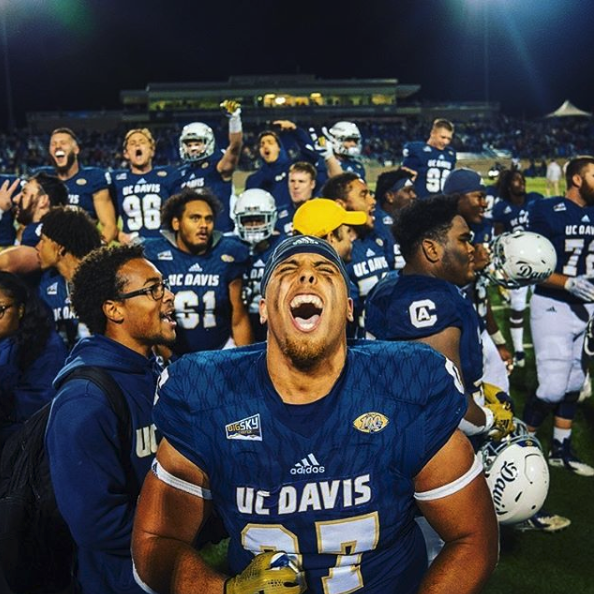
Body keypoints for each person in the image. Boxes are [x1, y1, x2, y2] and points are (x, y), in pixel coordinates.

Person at [132, 234, 498, 594]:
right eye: (288, 269)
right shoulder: (207, 393)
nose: (307, 275)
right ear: (263, 307)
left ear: (350, 308)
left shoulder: (406, 384)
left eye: (326, 270)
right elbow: (155, 542)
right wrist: (225, 591)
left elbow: (472, 535)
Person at [46, 244, 177, 594]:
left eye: (163, 286)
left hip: (166, 569)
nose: (169, 296)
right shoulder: (84, 400)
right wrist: (186, 531)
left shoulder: (153, 368)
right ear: (114, 309)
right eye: (153, 290)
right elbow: (97, 524)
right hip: (121, 581)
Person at [365, 195, 513, 442]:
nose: (470, 250)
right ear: (431, 249)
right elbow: (444, 402)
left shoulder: (395, 283)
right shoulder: (428, 298)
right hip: (437, 445)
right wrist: (491, 419)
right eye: (463, 240)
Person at [524, 155, 594, 478]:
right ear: (577, 179)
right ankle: (521, 447)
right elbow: (529, 265)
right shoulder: (547, 210)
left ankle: (560, 449)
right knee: (552, 387)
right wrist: (568, 282)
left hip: (588, 305)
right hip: (553, 303)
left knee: (576, 381)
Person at [144, 188, 253, 355]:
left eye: (208, 219)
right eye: (195, 218)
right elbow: (151, 320)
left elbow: (238, 318)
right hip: (172, 354)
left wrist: (245, 360)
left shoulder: (228, 253)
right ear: (176, 223)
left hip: (220, 351)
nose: (203, 225)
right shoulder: (154, 255)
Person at [443, 168, 513, 387]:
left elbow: (481, 294)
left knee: (501, 396)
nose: (484, 203)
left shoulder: (482, 229)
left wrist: (498, 340)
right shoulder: (438, 233)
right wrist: (470, 266)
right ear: (457, 198)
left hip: (478, 329)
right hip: (449, 333)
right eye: (478, 197)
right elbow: (434, 286)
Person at [0, 271, 67, 449]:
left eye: (0, 311)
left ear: (20, 309)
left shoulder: (45, 344)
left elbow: (42, 402)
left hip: (22, 444)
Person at [320, 172, 392, 331]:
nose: (372, 201)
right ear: (340, 204)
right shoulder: (334, 252)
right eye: (363, 195)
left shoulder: (377, 237)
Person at [492, 169, 542, 367]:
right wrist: (502, 265)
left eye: (522, 179)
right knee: (518, 308)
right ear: (507, 185)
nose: (521, 183)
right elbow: (498, 238)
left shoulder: (536, 200)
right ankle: (519, 349)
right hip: (517, 265)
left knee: (541, 306)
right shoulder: (502, 208)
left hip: (539, 261)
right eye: (516, 180)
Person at [36, 206, 103, 349]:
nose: (37, 247)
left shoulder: (104, 285)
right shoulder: (45, 287)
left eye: (43, 241)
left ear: (60, 247)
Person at [40, 128, 117, 243]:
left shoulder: (93, 178)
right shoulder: (43, 178)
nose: (58, 147)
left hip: (80, 246)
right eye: (53, 144)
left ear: (76, 149)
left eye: (63, 143)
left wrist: (94, 251)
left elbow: (109, 226)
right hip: (47, 249)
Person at [176, 100, 243, 232]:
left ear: (208, 143)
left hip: (219, 235)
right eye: (189, 145)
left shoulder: (217, 165)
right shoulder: (180, 173)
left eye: (197, 144)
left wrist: (235, 119)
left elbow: (235, 147)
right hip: (191, 237)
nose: (193, 148)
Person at [234, 188, 284, 342]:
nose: (254, 225)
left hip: (277, 321)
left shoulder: (283, 247)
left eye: (259, 219)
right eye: (248, 221)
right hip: (245, 321)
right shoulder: (231, 249)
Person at [112, 128, 180, 242]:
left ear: (152, 150)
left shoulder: (169, 175)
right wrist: (121, 237)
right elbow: (106, 221)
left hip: (164, 245)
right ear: (126, 153)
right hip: (132, 249)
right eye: (133, 143)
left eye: (142, 142)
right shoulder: (116, 181)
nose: (137, 145)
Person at [245, 121, 321, 210]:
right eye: (262, 144)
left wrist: (295, 129)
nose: (265, 146)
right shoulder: (253, 179)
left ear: (279, 148)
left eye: (270, 142)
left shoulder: (293, 169)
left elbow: (312, 154)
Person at [374, 168, 417, 269]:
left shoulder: (409, 219)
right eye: (408, 191)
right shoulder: (376, 225)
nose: (414, 196)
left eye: (413, 191)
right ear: (390, 196)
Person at [402, 118, 456, 198]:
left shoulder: (450, 154)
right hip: (421, 204)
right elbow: (404, 179)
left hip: (443, 204)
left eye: (449, 139)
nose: (446, 142)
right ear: (432, 133)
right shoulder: (417, 150)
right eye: (443, 137)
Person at [276, 161, 317, 236]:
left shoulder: (321, 212)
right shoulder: (277, 216)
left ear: (312, 184)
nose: (295, 186)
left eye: (301, 181)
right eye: (292, 181)